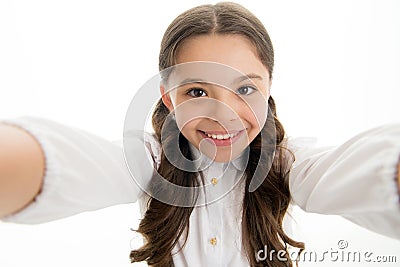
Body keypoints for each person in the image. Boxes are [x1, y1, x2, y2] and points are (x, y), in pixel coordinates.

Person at [0, 2, 399, 267]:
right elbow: (78, 163)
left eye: (245, 89)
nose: (223, 116)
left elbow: (343, 172)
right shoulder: (150, 159)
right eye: (197, 91)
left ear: (269, 88)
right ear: (168, 98)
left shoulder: (287, 162)